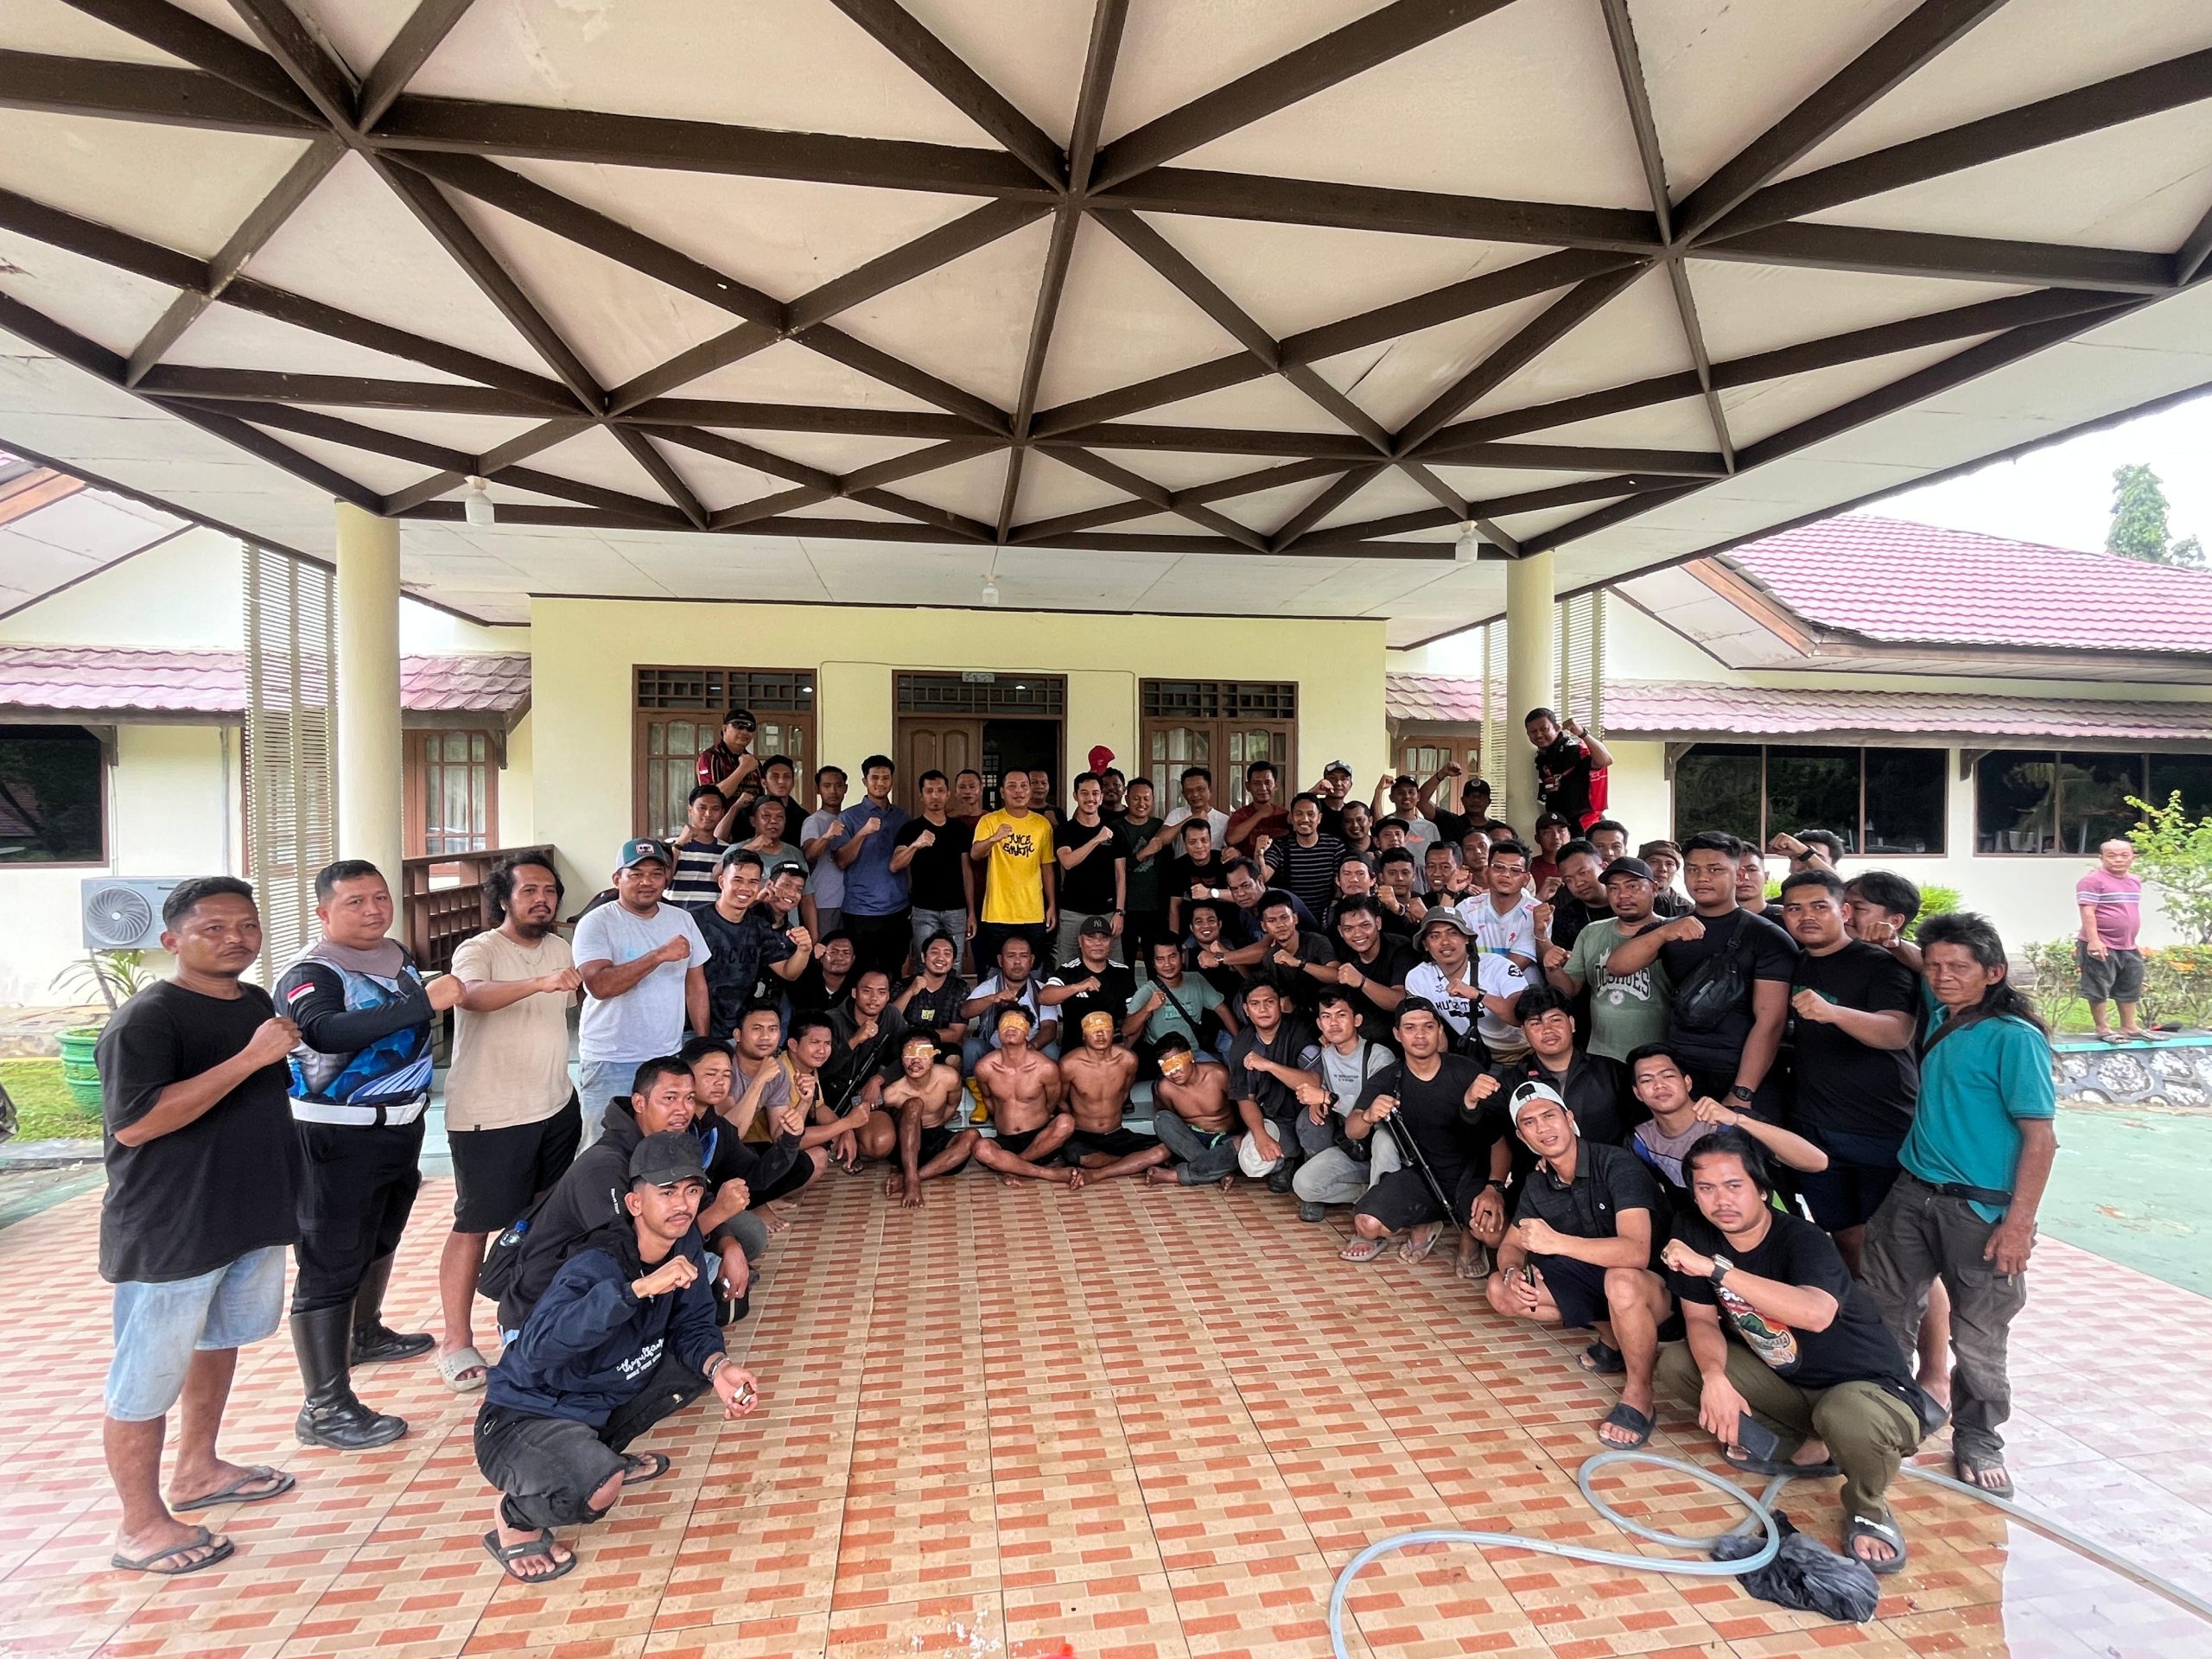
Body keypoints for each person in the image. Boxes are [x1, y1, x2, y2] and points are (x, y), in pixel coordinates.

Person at [97, 877, 303, 1578]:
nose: (234, 939)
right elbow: (137, 1123)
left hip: (244, 1215)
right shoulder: (148, 1020)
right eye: (213, 928)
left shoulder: (253, 1001)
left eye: (245, 926)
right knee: (146, 1375)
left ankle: (198, 1469)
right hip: (172, 1227)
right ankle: (139, 1525)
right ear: (172, 940)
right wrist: (250, 1057)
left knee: (218, 1341)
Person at [474, 1132, 762, 1585]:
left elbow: (695, 1325)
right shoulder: (594, 1262)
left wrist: (720, 1368)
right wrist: (636, 1290)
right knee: (598, 1489)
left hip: (594, 1402)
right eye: (666, 1192)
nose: (682, 1205)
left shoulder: (683, 1243)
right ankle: (516, 1517)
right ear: (634, 1203)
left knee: (694, 1368)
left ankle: (597, 1452)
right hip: (522, 1418)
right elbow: (537, 1348)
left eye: (692, 1191)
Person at [1657, 1129, 1936, 1574]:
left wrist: (1716, 1270)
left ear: (1762, 1191)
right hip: (1788, 1383)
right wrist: (1714, 1377)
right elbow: (1700, 1320)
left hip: (1868, 1391)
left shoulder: (1803, 1239)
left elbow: (1815, 1314)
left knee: (1844, 1413)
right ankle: (1805, 1446)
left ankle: (1869, 1507)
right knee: (1679, 1363)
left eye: (1734, 1185)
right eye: (1705, 1188)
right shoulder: (1693, 1229)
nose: (1720, 1200)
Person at [1859, 913, 2056, 1500]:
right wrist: (1898, 942)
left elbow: (2040, 1139)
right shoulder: (1944, 1012)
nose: (1943, 976)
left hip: (1982, 1211)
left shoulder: (2014, 1038)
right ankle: (1882, 1419)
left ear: (1993, 973)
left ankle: (1979, 1436)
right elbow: (1916, 959)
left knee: (1978, 1335)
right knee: (1885, 1310)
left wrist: (2018, 1226)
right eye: (1936, 966)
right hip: (1912, 1192)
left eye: (1958, 967)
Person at [277, 859, 462, 1451]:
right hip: (334, 1137)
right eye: (354, 902)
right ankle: (324, 1406)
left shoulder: (394, 956)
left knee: (380, 1237)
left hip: (398, 1127)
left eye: (380, 898)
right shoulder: (312, 970)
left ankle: (364, 1333)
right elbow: (324, 1032)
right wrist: (425, 1002)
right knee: (330, 1261)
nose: (372, 910)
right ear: (323, 912)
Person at [439, 854, 585, 1395]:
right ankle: (456, 1340)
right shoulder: (478, 950)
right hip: (489, 1115)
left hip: (554, 1105)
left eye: (549, 891)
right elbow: (472, 996)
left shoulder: (560, 948)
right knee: (475, 1224)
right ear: (504, 898)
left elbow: (562, 1009)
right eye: (529, 891)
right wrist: (540, 982)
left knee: (546, 1220)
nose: (542, 900)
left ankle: (531, 1319)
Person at [1486, 1080, 1671, 1449]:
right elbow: (1510, 1245)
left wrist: (1557, 1243)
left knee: (1621, 1281)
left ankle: (1639, 1393)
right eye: (1529, 1123)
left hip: (1658, 1291)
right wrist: (1512, 1271)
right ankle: (1615, 1337)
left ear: (1569, 1119)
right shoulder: (1538, 1182)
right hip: (1599, 1284)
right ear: (1522, 1138)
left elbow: (1637, 1252)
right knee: (1500, 1291)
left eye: (1549, 1116)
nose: (1543, 1128)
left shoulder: (1615, 1164)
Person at [1780, 870, 1922, 1261]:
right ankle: (1863, 1302)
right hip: (1815, 1125)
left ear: (1844, 912)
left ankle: (1915, 1309)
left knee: (1896, 1246)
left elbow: (1897, 1033)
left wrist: (1834, 1013)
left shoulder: (1881, 963)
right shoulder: (1794, 963)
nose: (1806, 916)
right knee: (1842, 1231)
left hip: (1879, 1126)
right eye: (1794, 909)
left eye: (1819, 907)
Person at [1605, 832, 1796, 1120]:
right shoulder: (1670, 928)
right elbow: (1617, 966)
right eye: (1693, 870)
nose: (1702, 878)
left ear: (1738, 874)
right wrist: (1664, 933)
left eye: (1714, 869)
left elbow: (1771, 1021)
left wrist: (1742, 1092)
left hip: (1742, 1071)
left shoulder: (1767, 936)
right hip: (1682, 1070)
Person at [1340, 999, 1501, 1265]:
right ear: (1397, 1034)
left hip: (1471, 1175)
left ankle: (1468, 1232)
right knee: (1367, 1224)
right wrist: (1368, 1115)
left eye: (1428, 1027)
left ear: (1440, 1031)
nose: (1420, 1035)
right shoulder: (1389, 1078)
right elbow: (1352, 1130)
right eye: (1410, 1028)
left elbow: (1500, 1139)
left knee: (1492, 1235)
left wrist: (1494, 1187)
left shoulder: (1466, 1071)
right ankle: (1427, 1220)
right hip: (1422, 1176)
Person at [572, 839, 710, 1135]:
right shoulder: (596, 923)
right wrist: (658, 955)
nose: (647, 882)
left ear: (666, 878)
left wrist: (702, 1043)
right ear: (617, 879)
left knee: (662, 1140)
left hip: (666, 1056)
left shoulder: (682, 920)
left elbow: (696, 984)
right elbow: (599, 986)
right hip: (611, 1059)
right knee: (604, 1143)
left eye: (656, 874)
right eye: (636, 874)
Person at [1624, 1045, 1826, 1193]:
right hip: (1695, 1231)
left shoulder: (1730, 1122)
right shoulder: (1640, 1141)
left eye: (1668, 1076)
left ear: (1687, 1082)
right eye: (1647, 1080)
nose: (1659, 1085)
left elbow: (1816, 1161)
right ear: (1637, 1093)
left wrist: (1739, 1119)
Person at [1289, 988, 1400, 1221]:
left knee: (1384, 1140)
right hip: (1353, 1146)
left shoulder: (1379, 1056)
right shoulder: (1325, 1056)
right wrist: (1317, 1101)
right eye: (1326, 1017)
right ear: (1319, 1024)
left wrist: (1327, 1098)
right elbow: (1317, 1091)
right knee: (1304, 1184)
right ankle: (1368, 1194)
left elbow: (1379, 1112)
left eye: (1341, 1015)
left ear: (1357, 1020)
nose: (1333, 1023)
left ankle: (1378, 1211)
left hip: (1384, 1144)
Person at [1549, 856, 1672, 1063]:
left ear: (1653, 888)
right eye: (1614, 888)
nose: (1622, 895)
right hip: (1601, 1054)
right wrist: (1553, 967)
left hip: (1657, 1057)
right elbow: (1569, 989)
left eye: (1632, 886)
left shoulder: (1671, 932)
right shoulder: (1591, 932)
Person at [695, 849, 811, 1042]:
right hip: (691, 1032)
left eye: (752, 882)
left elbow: (788, 971)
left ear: (759, 886)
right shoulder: (693, 920)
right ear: (722, 882)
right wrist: (702, 1040)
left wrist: (804, 950)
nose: (745, 888)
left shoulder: (759, 927)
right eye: (738, 880)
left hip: (739, 1034)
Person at [1226, 981, 1323, 1191]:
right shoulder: (1243, 1043)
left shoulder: (1300, 1031)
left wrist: (1269, 1066)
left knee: (1313, 1123)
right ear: (1246, 1010)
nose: (1263, 1009)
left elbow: (1314, 1081)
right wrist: (1260, 1136)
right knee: (1253, 1161)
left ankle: (1314, 1177)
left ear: (1280, 1003)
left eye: (1269, 1002)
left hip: (1310, 1113)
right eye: (1255, 1004)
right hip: (1277, 1119)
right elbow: (1245, 1098)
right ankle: (1288, 1162)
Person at [1058, 1012, 1171, 1185]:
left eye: (1105, 1029)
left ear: (1113, 1033)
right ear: (1084, 1036)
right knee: (1080, 1156)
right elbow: (1060, 1100)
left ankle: (1103, 1171)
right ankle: (1136, 1162)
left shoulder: (1128, 1060)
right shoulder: (1069, 1064)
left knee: (1163, 1149)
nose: (1100, 1034)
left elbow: (1125, 1092)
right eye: (1094, 1030)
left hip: (1116, 1133)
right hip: (1083, 1133)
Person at [971, 1007, 1077, 1185]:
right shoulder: (985, 1068)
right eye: (1006, 1023)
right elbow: (988, 1099)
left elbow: (1053, 1101)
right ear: (998, 1030)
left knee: (1066, 1122)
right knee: (981, 1149)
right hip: (1006, 1141)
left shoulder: (1046, 1068)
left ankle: (1012, 1167)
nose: (1011, 1027)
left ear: (1028, 1031)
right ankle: (1047, 1174)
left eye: (1018, 1023)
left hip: (1041, 1140)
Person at [830, 754, 912, 980]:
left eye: (886, 778)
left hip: (897, 908)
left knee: (894, 972)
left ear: (892, 781)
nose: (880, 783)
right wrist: (863, 833)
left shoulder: (902, 817)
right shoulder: (849, 817)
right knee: (860, 973)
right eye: (875, 778)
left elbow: (907, 860)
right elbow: (841, 861)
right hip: (861, 910)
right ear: (865, 781)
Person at [1405, 909, 1522, 1060]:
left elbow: (1519, 1018)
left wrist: (1477, 995)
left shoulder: (1497, 965)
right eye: (1435, 936)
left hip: (1522, 1051)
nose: (1445, 942)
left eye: (1453, 933)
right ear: (1425, 945)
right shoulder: (1418, 977)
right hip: (1473, 1056)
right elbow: (1432, 1032)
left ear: (1466, 938)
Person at [970, 769, 1056, 972]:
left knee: (1032, 970)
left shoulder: (1042, 825)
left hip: (1033, 911)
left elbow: (1047, 866)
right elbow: (975, 854)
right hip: (997, 912)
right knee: (996, 970)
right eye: (1012, 786)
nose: (1019, 791)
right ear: (1002, 792)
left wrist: (1051, 904)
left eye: (1024, 786)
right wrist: (994, 839)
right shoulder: (990, 821)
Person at [882, 1033, 977, 1206]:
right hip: (905, 1145)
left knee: (972, 1135)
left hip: (936, 1137)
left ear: (934, 1057)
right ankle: (911, 1180)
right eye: (910, 1054)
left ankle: (912, 1178)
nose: (915, 1061)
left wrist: (940, 1122)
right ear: (901, 1059)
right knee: (914, 1104)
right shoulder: (892, 1093)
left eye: (923, 1054)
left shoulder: (949, 1077)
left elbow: (952, 1105)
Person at [893, 770, 975, 969]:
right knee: (925, 964)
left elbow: (966, 871)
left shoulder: (959, 829)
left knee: (954, 964)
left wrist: (971, 911)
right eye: (929, 791)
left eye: (940, 791)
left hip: (956, 908)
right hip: (923, 908)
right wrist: (916, 845)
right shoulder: (911, 829)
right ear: (921, 796)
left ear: (948, 794)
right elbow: (895, 865)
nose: (935, 796)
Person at [1143, 1034, 1241, 1189]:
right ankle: (1218, 1172)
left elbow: (1242, 1106)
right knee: (1162, 1118)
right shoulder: (1165, 1088)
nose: (1173, 1072)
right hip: (1193, 1141)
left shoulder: (1218, 1074)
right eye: (1166, 1067)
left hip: (1224, 1138)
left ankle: (1177, 1175)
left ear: (1190, 1057)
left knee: (1240, 1145)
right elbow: (1173, 1123)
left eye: (1176, 1064)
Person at [2076, 836, 2151, 1041]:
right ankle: (2103, 1028)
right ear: (2101, 858)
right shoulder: (2092, 881)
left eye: (2124, 855)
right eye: (2112, 855)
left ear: (2133, 858)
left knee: (2130, 985)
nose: (2118, 859)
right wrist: (2094, 940)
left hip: (2128, 945)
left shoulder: (2134, 881)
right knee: (2098, 987)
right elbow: (2088, 912)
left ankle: (2129, 1027)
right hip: (2101, 943)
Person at [1055, 772, 1128, 963]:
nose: (1090, 798)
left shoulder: (1114, 831)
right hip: (1072, 911)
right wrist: (1096, 839)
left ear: (1101, 797)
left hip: (1107, 911)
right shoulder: (1065, 830)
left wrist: (1119, 912)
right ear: (1075, 796)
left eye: (1095, 793)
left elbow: (1120, 876)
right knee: (1067, 966)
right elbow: (1067, 861)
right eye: (1084, 793)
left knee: (1113, 967)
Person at [1126, 936, 1234, 1064]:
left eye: (1172, 957)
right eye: (1160, 959)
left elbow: (1222, 1010)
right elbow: (1127, 1030)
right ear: (1154, 964)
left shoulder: (1196, 979)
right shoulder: (1148, 991)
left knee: (1220, 1073)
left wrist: (1240, 1041)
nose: (1167, 964)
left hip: (1193, 1053)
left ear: (1182, 957)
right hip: (1163, 1057)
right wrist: (1148, 1008)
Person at [1324, 896, 1413, 1041]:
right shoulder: (1344, 952)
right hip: (1361, 1035)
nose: (1357, 934)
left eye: (1365, 925)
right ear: (1340, 931)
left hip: (1400, 1036)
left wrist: (1362, 981)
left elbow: (1398, 1002)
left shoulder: (1400, 949)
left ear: (1378, 923)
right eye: (1348, 929)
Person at [962, 934, 1058, 1068]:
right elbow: (965, 1012)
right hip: (994, 1052)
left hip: (1031, 1049)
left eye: (1023, 956)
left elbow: (1050, 1028)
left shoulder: (1042, 991)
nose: (1017, 961)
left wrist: (1032, 1047)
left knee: (1051, 1050)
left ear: (1032, 960)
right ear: (1000, 960)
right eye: (1011, 956)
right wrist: (992, 998)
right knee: (971, 1046)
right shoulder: (989, 987)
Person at [1043, 914, 1138, 1033]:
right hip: (1076, 1044)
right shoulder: (1068, 970)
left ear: (1111, 942)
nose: (1098, 943)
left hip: (1112, 1043)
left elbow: (1134, 1017)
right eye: (1091, 938)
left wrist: (1125, 1043)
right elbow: (1044, 997)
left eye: (1104, 938)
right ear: (1080, 941)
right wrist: (1077, 987)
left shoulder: (1122, 972)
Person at [1263, 793, 1349, 921]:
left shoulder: (1334, 845)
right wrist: (1259, 854)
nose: (1305, 819)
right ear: (1292, 818)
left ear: (1319, 818)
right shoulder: (1281, 846)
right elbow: (1263, 877)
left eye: (1311, 814)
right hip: (1292, 920)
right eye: (1299, 814)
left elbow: (1341, 885)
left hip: (1328, 918)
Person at [1524, 708, 1613, 830]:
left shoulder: (1573, 749)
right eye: (1533, 731)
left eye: (1544, 729)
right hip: (1560, 828)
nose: (1539, 735)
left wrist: (1583, 734)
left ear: (1556, 728)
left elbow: (1606, 760)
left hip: (1584, 827)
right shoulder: (1542, 758)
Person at [1116, 776, 1173, 963]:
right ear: (1126, 799)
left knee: (1155, 961)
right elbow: (1114, 870)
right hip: (1126, 907)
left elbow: (1169, 867)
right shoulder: (1116, 828)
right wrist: (1143, 854)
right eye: (1136, 798)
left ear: (1153, 799)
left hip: (1155, 907)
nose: (1142, 803)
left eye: (1146, 798)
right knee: (1125, 961)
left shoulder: (1159, 827)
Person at [1459, 840, 1539, 967]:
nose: (1506, 874)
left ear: (1526, 879)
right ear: (1487, 872)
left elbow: (1515, 966)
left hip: (1518, 978)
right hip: (1473, 976)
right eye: (1499, 867)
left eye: (1515, 870)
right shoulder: (1467, 907)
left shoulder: (1536, 912)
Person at [798, 765, 849, 939]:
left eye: (838, 785)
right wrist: (827, 836)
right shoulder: (813, 821)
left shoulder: (850, 818)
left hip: (851, 901)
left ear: (845, 788)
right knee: (825, 949)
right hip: (824, 901)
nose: (833, 791)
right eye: (827, 786)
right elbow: (809, 854)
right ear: (818, 789)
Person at [894, 930, 969, 1047]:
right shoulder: (904, 984)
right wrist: (910, 992)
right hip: (906, 1046)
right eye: (934, 952)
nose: (940, 958)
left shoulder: (959, 988)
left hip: (941, 1046)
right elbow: (889, 1022)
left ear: (953, 961)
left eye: (947, 954)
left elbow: (955, 1034)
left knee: (953, 1055)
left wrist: (917, 1037)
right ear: (923, 957)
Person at [665, 785, 730, 908]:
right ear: (690, 810)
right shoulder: (670, 845)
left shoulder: (728, 851)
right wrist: (679, 845)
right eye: (702, 808)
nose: (708, 814)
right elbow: (663, 880)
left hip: (711, 918)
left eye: (715, 809)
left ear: (722, 813)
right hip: (675, 917)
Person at [1164, 817, 1228, 936]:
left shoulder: (1224, 861)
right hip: (1194, 925)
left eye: (1204, 840)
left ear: (1211, 841)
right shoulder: (1178, 867)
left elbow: (1241, 895)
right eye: (1192, 842)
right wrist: (1174, 939)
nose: (1199, 846)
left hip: (1227, 922)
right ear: (1185, 844)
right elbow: (1175, 906)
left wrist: (1210, 893)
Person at [695, 709, 760, 816]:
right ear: (724, 729)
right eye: (739, 726)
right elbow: (712, 798)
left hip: (751, 822)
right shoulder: (711, 757)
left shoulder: (753, 761)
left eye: (750, 728)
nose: (745, 732)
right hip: (719, 823)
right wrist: (743, 769)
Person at [1225, 760, 1289, 852]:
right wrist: (1260, 815)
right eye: (1257, 784)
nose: (1263, 788)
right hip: (1249, 861)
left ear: (1276, 785)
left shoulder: (1285, 815)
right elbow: (1231, 840)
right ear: (1248, 786)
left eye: (1268, 783)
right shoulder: (1241, 815)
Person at [1371, 773, 1440, 860]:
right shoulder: (1388, 823)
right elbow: (1377, 822)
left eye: (1411, 792)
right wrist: (1379, 790)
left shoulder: (1430, 827)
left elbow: (1438, 854)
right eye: (1400, 793)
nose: (1407, 796)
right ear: (1391, 797)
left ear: (1418, 796)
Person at [1164, 764, 1230, 844]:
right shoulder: (1176, 814)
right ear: (1183, 793)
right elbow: (1160, 840)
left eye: (1200, 789)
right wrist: (1191, 819)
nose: (1195, 794)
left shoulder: (1224, 820)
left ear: (1210, 790)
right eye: (1189, 791)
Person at [1640, 839, 1691, 917]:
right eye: (1654, 862)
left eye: (1669, 864)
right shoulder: (1627, 901)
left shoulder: (1687, 910)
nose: (1663, 869)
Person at [1529, 813, 1573, 888]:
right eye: (1548, 832)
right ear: (1537, 839)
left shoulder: (1581, 865)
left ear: (1570, 835)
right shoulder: (1529, 868)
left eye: (1561, 831)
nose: (1556, 837)